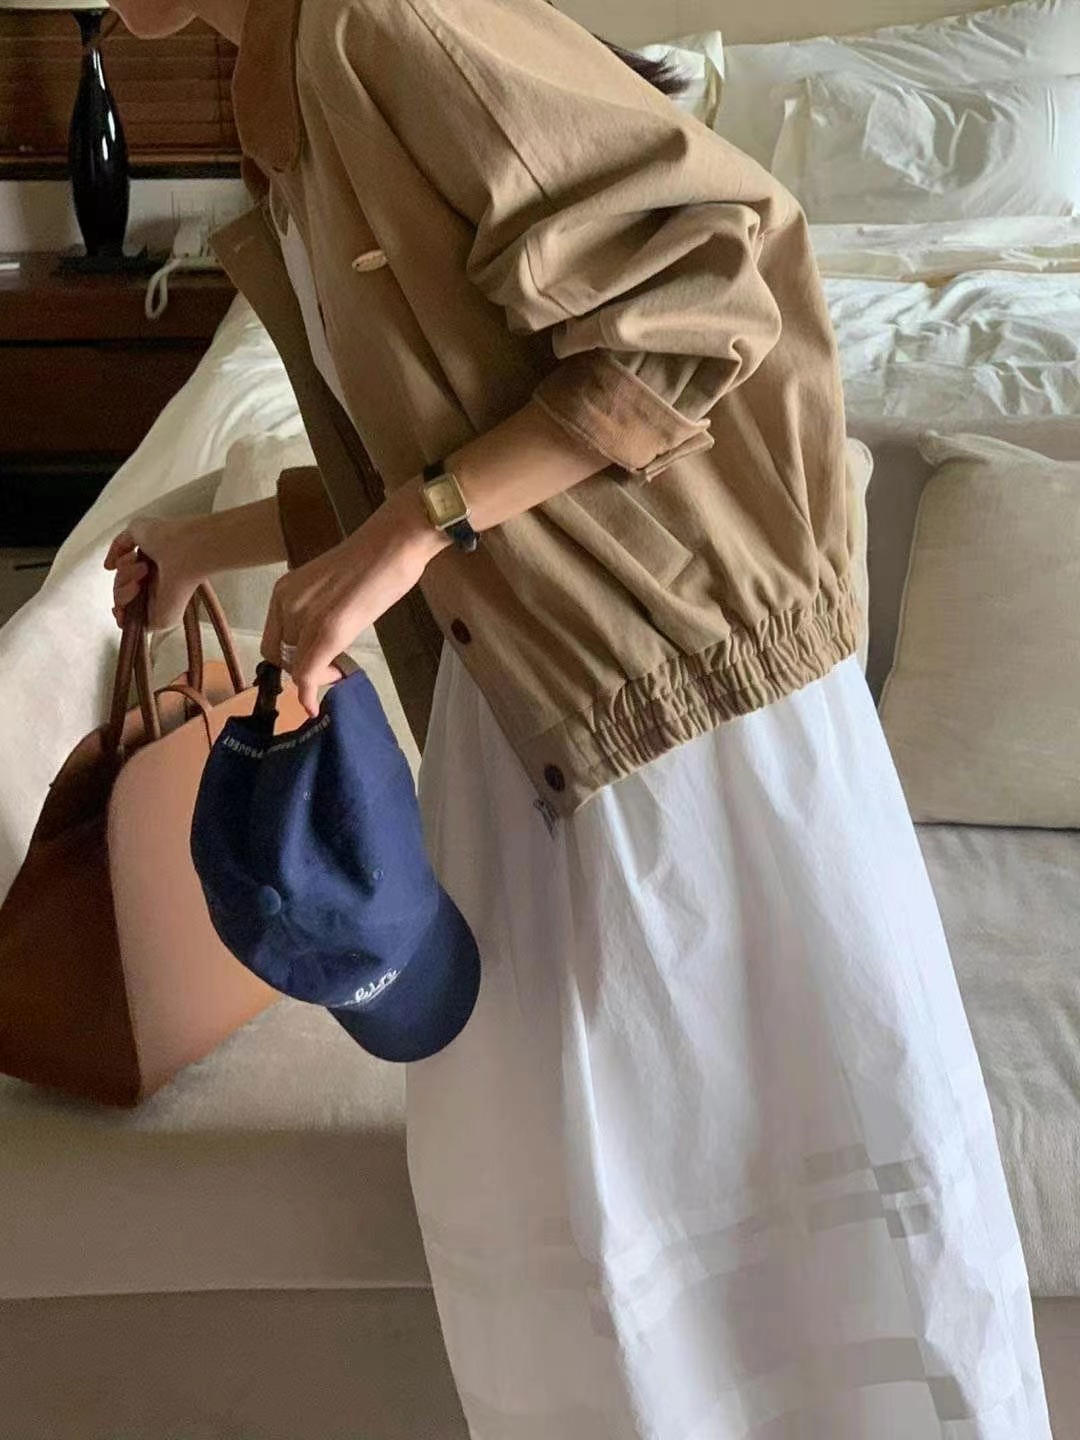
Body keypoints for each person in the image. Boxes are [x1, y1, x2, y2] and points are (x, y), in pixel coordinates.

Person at [103, 0, 1053, 1433]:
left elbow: (711, 280)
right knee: (591, 1210)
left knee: (768, 1197)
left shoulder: (375, 24)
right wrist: (211, 543)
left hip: (678, 704)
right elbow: (430, 440)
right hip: (527, 702)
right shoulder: (278, 97)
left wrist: (406, 537)